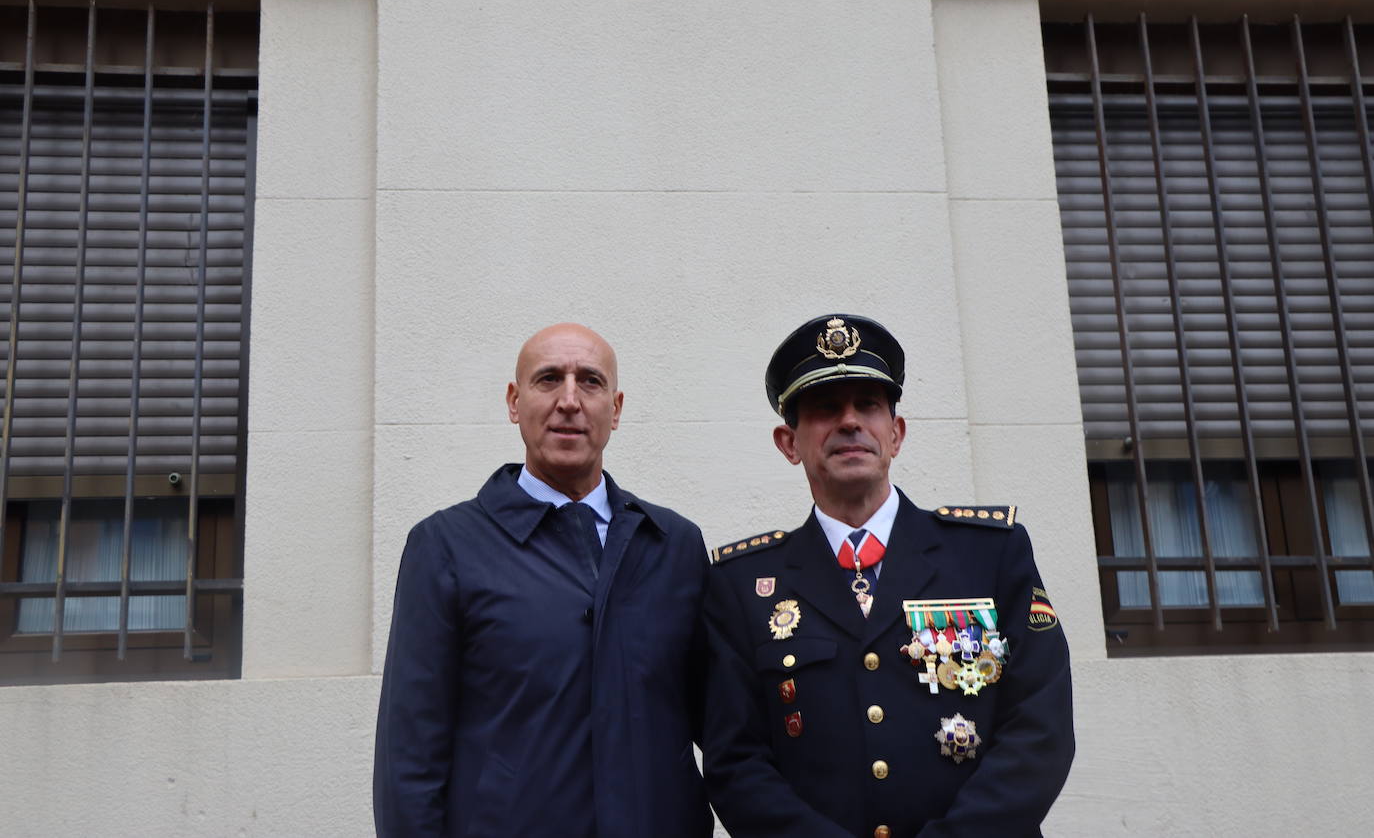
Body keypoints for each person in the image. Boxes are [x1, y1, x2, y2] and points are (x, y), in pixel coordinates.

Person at [702, 314, 1074, 837]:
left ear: (895, 434)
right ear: (789, 443)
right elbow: (735, 763)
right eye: (826, 408)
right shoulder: (742, 585)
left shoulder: (990, 554)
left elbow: (1040, 729)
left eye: (869, 405)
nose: (850, 421)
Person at [374, 323, 713, 838]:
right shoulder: (447, 546)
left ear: (616, 409)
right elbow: (410, 757)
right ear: (514, 402)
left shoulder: (674, 546)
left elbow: (724, 728)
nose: (570, 401)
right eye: (549, 379)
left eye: (591, 382)